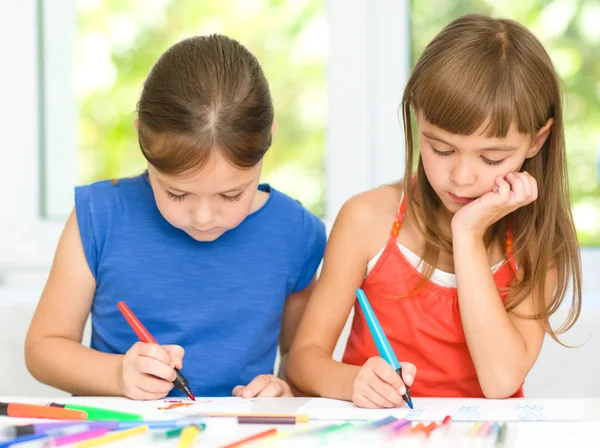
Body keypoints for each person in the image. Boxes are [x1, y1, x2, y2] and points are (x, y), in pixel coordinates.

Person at [286, 14, 581, 408]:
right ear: (417, 120)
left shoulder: (536, 243)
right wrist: (352, 380)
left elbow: (500, 380)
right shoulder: (368, 219)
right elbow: (303, 360)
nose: (461, 177)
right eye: (440, 149)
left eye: (492, 157)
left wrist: (468, 234)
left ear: (536, 140)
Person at [25, 34, 326, 400]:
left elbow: (301, 360)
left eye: (231, 194)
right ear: (143, 140)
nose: (202, 217)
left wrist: (285, 390)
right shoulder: (99, 216)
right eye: (177, 193)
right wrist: (117, 375)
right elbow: (43, 348)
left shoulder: (296, 233)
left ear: (268, 140)